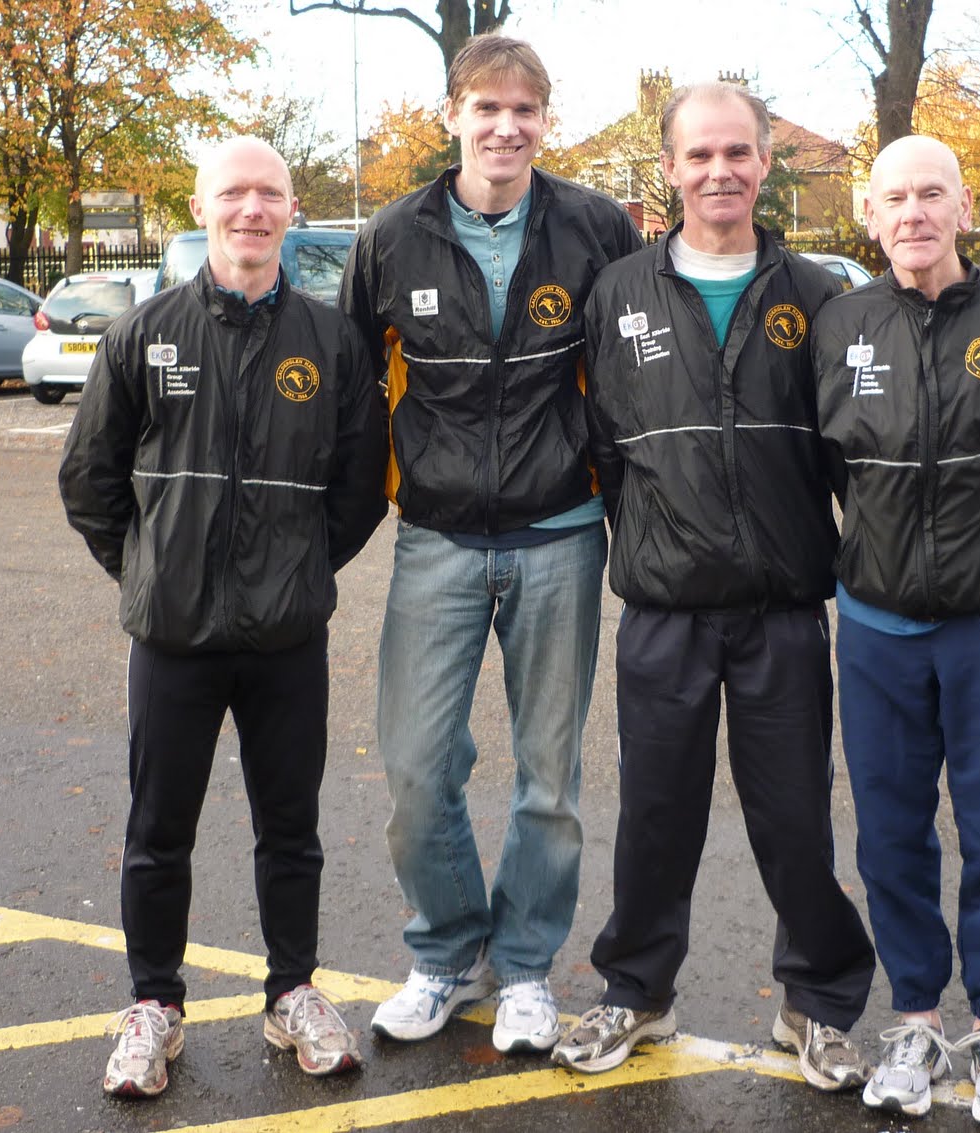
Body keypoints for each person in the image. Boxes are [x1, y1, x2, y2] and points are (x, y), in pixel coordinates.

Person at [550, 81, 876, 1088]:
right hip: (662, 610)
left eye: (737, 152)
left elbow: (851, 452)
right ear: (669, 168)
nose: (718, 171)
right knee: (655, 813)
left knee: (794, 818)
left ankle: (815, 1003)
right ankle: (635, 993)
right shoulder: (619, 294)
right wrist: (650, 539)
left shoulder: (818, 293)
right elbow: (601, 443)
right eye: (699, 156)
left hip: (781, 608)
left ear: (765, 161)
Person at [59, 136, 388, 1098]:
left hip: (288, 638)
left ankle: (293, 993)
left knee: (292, 827)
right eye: (234, 193)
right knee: (160, 826)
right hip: (175, 637)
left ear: (291, 210)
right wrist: (152, 572)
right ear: (203, 208)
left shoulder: (332, 343)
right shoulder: (145, 333)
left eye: (271, 194)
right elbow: (90, 479)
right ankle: (154, 1005)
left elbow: (361, 488)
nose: (253, 209)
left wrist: (296, 569)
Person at [339, 33, 642, 1055]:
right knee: (421, 764)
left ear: (543, 122)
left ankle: (522, 969)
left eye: (524, 110)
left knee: (547, 778)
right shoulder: (392, 238)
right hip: (436, 538)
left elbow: (640, 375)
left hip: (562, 534)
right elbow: (351, 394)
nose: (505, 126)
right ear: (452, 117)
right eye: (485, 108)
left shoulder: (596, 226)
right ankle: (443, 953)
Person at [810, 134, 980, 1125]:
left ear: (963, 208)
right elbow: (825, 471)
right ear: (870, 215)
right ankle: (918, 1018)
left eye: (932, 194)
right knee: (890, 832)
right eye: (895, 198)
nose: (914, 213)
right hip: (876, 627)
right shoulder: (839, 324)